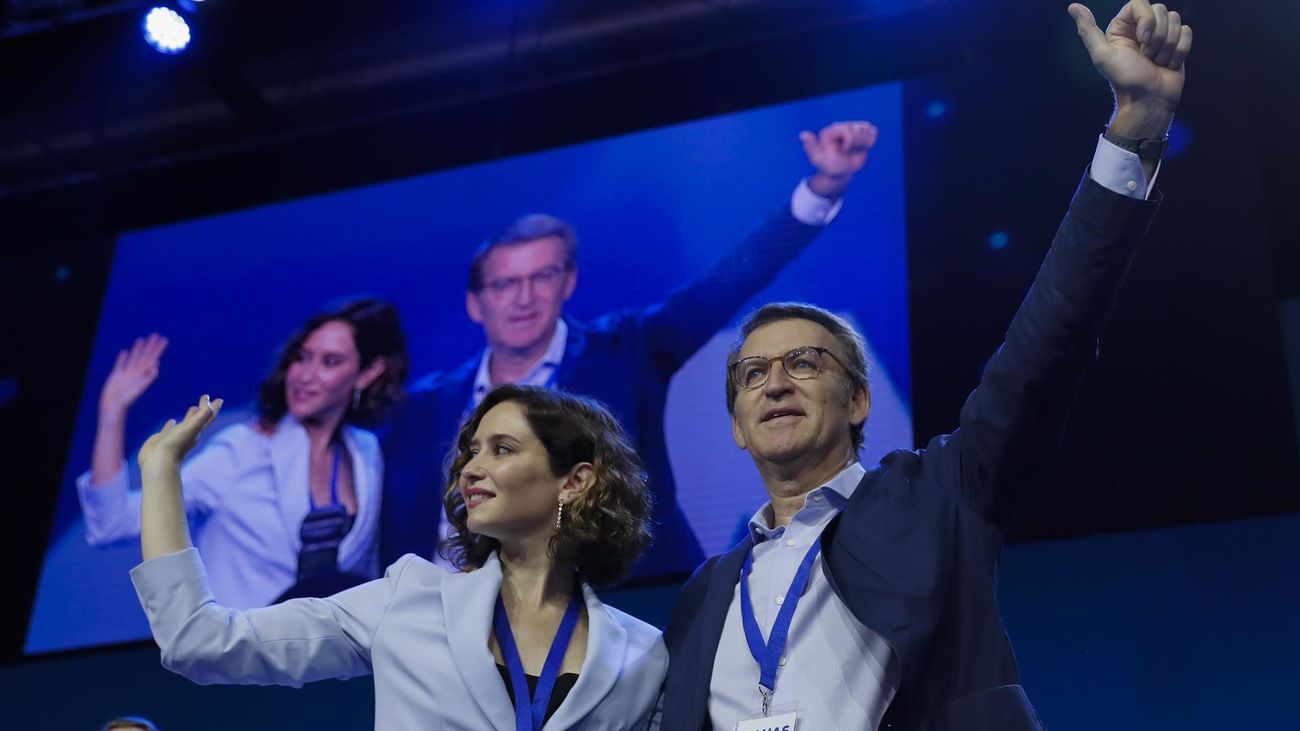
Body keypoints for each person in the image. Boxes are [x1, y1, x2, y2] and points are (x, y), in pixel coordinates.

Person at [657, 2, 1191, 729]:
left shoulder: (940, 498)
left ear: (858, 402)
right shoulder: (703, 595)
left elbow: (1050, 341)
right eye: (752, 374)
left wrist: (1137, 122)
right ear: (737, 432)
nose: (774, 381)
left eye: (803, 362)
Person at [381, 120, 880, 577]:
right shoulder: (426, 405)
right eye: (505, 284)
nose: (524, 298)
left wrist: (822, 189)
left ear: (568, 281)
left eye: (542, 276)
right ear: (476, 302)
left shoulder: (629, 348)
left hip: (636, 600)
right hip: (474, 620)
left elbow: (727, 282)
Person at [130, 385, 665, 730]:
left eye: (501, 449)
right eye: (471, 451)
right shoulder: (406, 600)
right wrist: (161, 474)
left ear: (574, 482)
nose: (471, 469)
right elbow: (200, 642)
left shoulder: (644, 656)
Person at [78, 299, 408, 608]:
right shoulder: (243, 448)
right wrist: (112, 412)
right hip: (242, 656)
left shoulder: (366, 452)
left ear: (367, 373)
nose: (305, 376)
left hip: (331, 658)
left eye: (330, 362)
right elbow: (111, 523)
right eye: (303, 357)